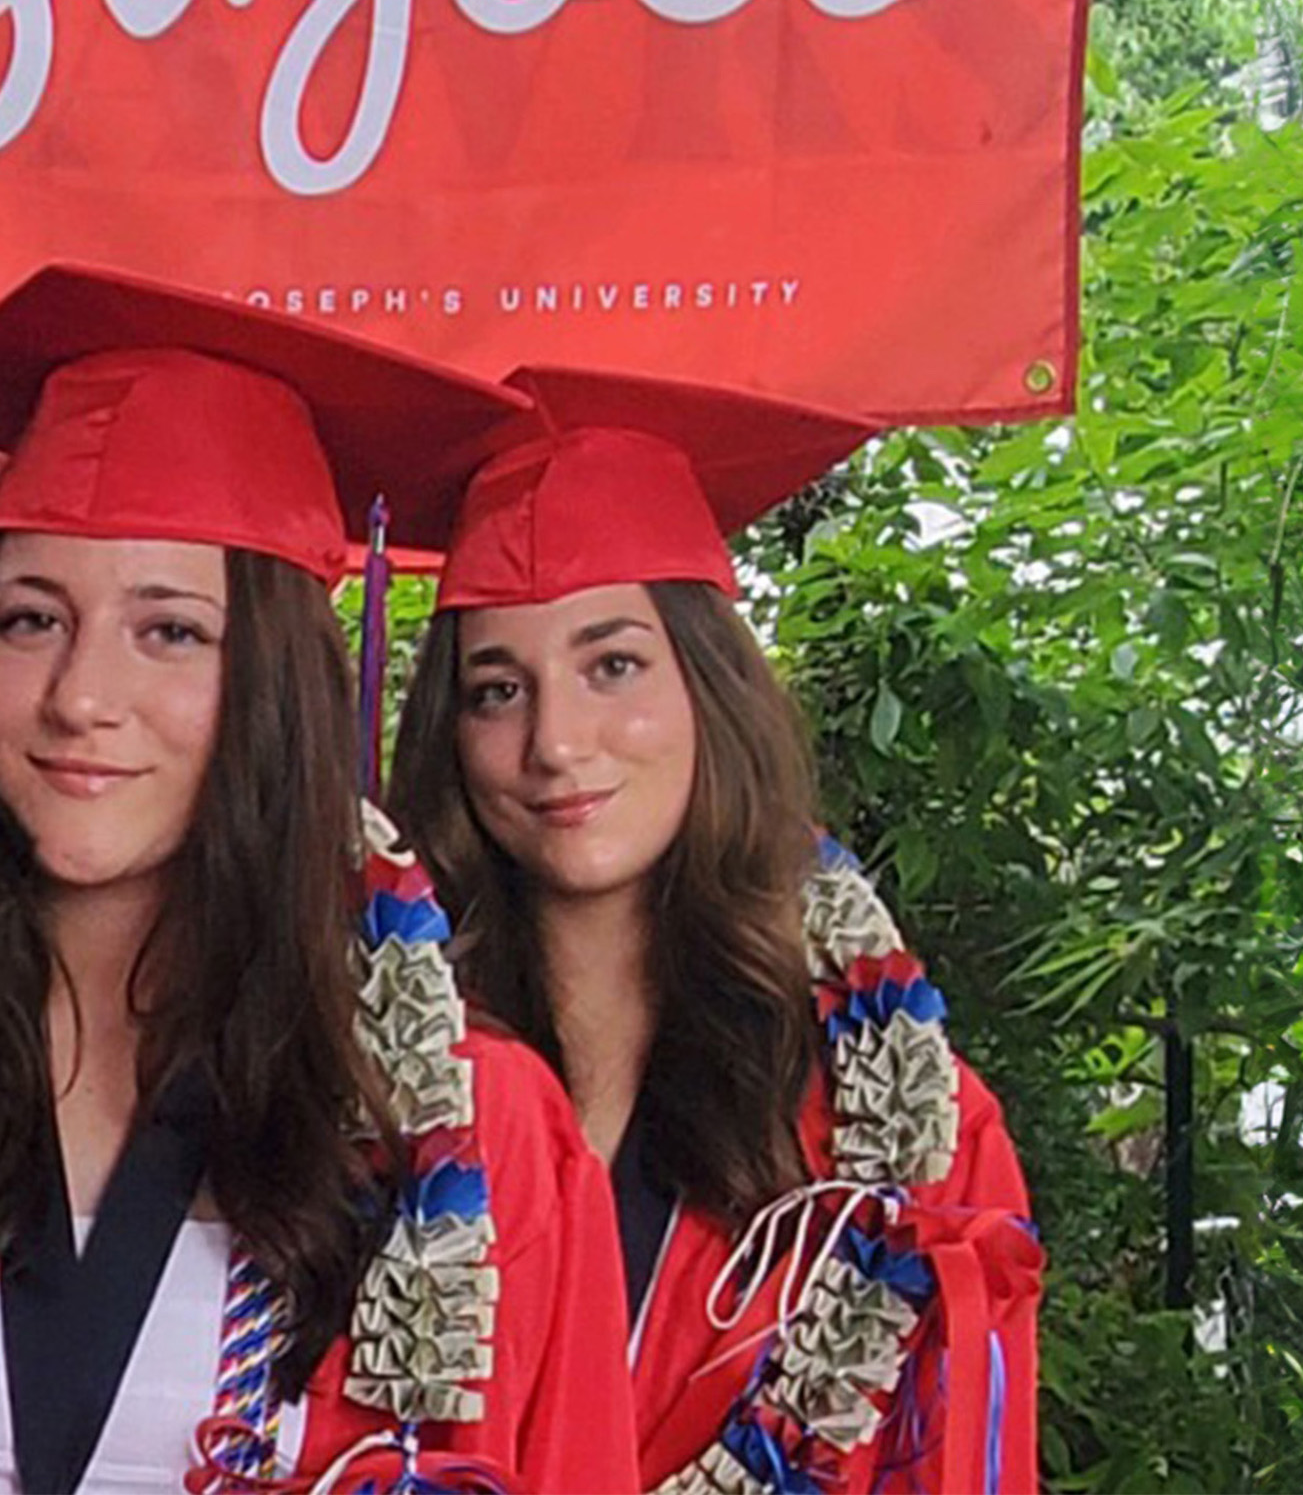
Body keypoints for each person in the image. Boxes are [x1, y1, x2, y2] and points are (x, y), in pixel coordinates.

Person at [0, 265, 642, 1495]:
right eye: (28, 619)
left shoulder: (472, 1137)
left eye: (170, 631)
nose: (80, 698)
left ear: (272, 686)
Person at [386, 370, 1043, 1494]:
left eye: (613, 666)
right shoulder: (369, 1076)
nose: (555, 742)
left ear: (708, 689)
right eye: (496, 690)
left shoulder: (896, 1137)